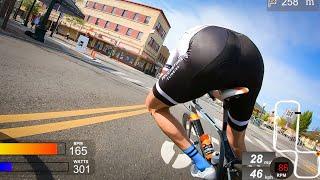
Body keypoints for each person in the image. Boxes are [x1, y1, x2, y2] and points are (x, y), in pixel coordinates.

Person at [145, 25, 264, 179]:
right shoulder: (199, 29)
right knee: (237, 142)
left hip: (211, 47)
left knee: (154, 106)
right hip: (253, 58)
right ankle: (260, 175)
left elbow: (166, 72)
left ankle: (203, 166)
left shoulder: (184, 37)